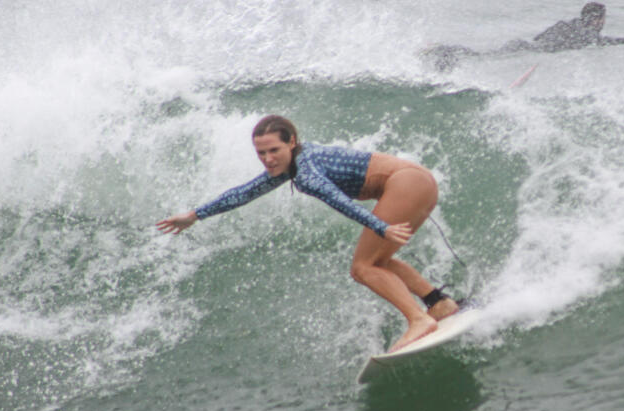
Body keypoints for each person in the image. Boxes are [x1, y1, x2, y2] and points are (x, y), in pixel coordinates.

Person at [156, 115, 459, 352]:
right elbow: (245, 192)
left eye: (274, 150)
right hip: (416, 179)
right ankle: (438, 303)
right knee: (377, 261)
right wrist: (195, 215)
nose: (268, 158)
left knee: (362, 268)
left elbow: (336, 199)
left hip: (406, 183)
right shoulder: (298, 160)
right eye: (261, 153)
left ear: (292, 143)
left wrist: (381, 227)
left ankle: (419, 320)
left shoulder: (308, 171)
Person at [421, 2, 624, 72]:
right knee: (482, 57)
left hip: (525, 44)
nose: (603, 24)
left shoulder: (567, 23)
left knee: (484, 55)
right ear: (598, 19)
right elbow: (606, 42)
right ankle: (445, 51)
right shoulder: (588, 32)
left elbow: (540, 37)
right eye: (602, 19)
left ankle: (443, 49)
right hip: (528, 49)